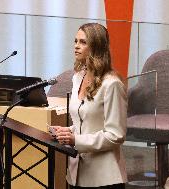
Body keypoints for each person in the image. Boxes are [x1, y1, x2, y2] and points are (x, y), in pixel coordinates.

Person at [51, 23, 127, 188]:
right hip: (76, 172)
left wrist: (75, 139)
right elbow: (84, 120)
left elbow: (115, 135)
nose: (76, 46)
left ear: (97, 47)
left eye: (83, 42)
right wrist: (68, 132)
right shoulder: (77, 78)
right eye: (75, 41)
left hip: (104, 177)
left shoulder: (112, 84)